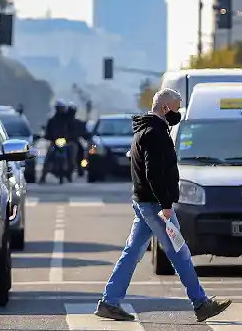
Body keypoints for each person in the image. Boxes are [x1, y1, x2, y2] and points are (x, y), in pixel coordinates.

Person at [95, 89, 230, 323]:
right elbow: (153, 173)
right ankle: (201, 303)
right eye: (176, 107)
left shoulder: (144, 130)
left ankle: (110, 301)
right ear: (165, 107)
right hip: (154, 204)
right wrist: (166, 205)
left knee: (133, 253)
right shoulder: (155, 133)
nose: (178, 113)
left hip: (144, 202)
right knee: (180, 253)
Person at [66, 103, 88, 176]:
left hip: (74, 142)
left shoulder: (77, 122)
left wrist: (87, 135)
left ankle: (80, 167)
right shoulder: (62, 121)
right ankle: (44, 173)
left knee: (81, 151)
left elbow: (83, 133)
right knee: (50, 152)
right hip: (61, 142)